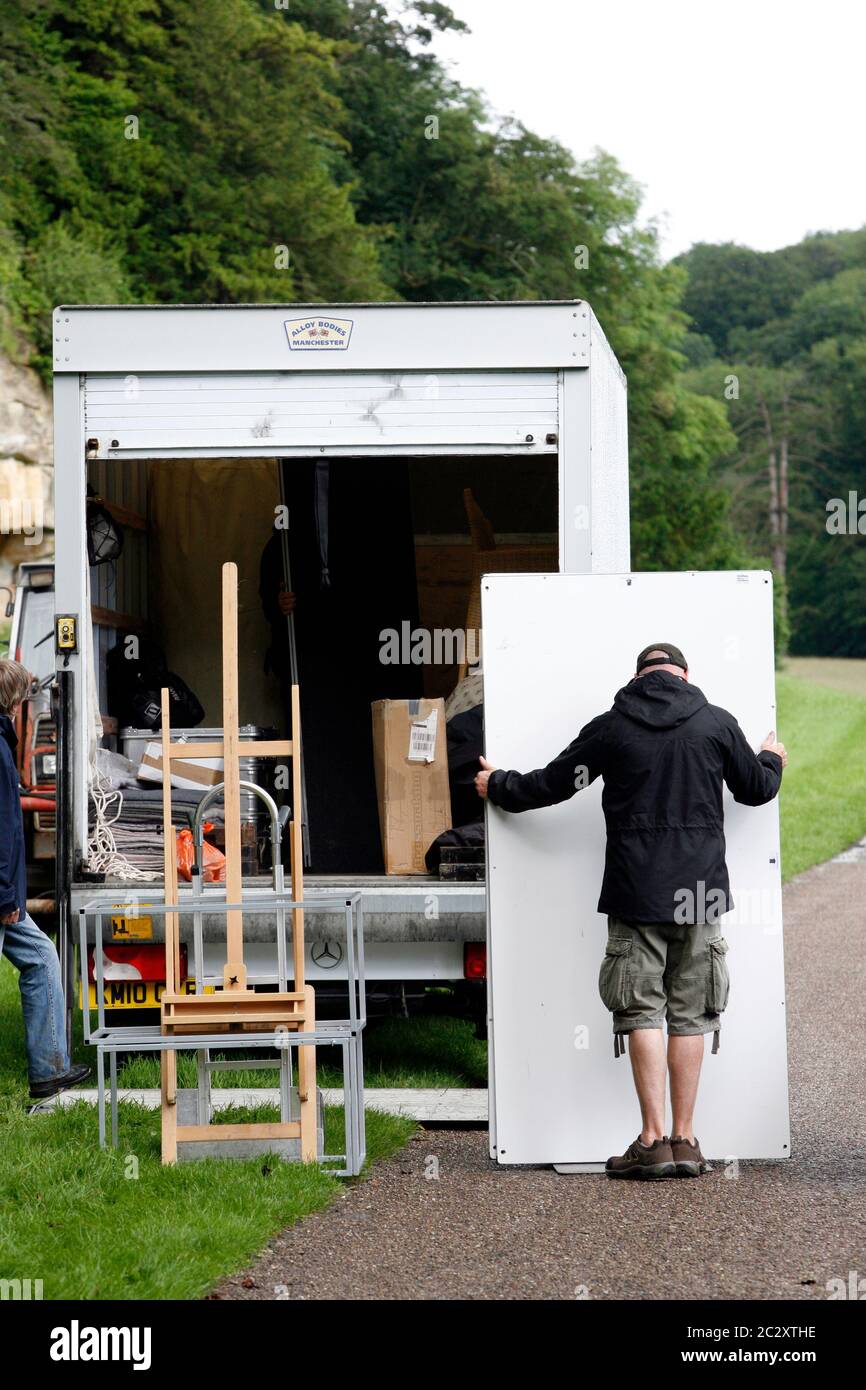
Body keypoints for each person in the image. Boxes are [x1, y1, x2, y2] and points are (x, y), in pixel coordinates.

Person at [475, 643, 786, 1180]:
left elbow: (554, 783)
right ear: (685, 674)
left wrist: (498, 784)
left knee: (641, 1008)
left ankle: (651, 1140)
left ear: (639, 676)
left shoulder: (613, 728)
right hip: (701, 892)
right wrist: (771, 758)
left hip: (636, 891)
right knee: (692, 1011)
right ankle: (686, 1141)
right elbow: (756, 790)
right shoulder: (714, 723)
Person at [0, 658, 89, 1099]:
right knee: (42, 958)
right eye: (21, 696)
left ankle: (49, 1068)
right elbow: (0, 830)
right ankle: (47, 1068)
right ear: (12, 699)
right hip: (1, 895)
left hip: (6, 892)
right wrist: (5, 896)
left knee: (42, 957)